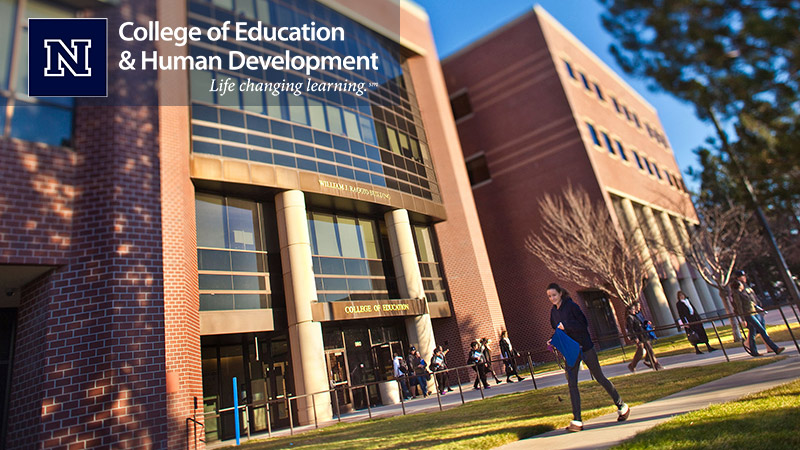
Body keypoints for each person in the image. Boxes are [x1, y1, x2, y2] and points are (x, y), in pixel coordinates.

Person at [548, 283, 629, 432]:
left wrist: (566, 325)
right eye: (549, 296)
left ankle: (621, 405)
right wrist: (554, 339)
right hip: (571, 351)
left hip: (585, 347)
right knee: (572, 384)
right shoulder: (553, 312)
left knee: (600, 377)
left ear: (560, 293)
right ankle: (577, 420)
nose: (552, 298)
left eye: (554, 295)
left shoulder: (571, 306)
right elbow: (557, 329)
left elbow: (583, 324)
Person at [732, 278, 785, 356]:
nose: (743, 285)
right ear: (739, 286)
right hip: (748, 315)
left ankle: (754, 351)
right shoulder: (736, 294)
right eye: (741, 284)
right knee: (762, 331)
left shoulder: (743, 292)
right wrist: (743, 319)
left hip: (753, 313)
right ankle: (775, 348)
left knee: (752, 333)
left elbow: (751, 302)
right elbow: (739, 307)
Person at [625, 302, 663, 372]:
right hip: (638, 336)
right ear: (629, 310)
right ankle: (633, 365)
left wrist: (646, 323)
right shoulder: (629, 318)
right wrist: (635, 338)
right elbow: (630, 329)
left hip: (643, 335)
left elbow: (641, 323)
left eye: (634, 309)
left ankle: (654, 363)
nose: (634, 310)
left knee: (648, 349)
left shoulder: (636, 315)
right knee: (641, 352)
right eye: (632, 309)